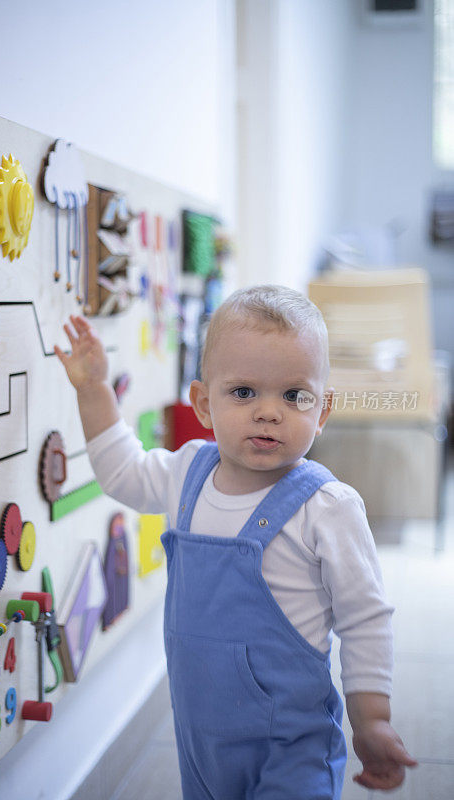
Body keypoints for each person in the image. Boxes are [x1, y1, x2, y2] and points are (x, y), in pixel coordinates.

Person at [55, 285, 417, 799]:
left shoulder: (328, 507)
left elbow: (365, 617)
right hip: (200, 738)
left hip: (292, 744)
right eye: (244, 392)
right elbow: (122, 473)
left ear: (323, 410)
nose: (269, 412)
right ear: (204, 403)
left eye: (295, 395)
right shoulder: (186, 473)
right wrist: (93, 390)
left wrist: (372, 717)